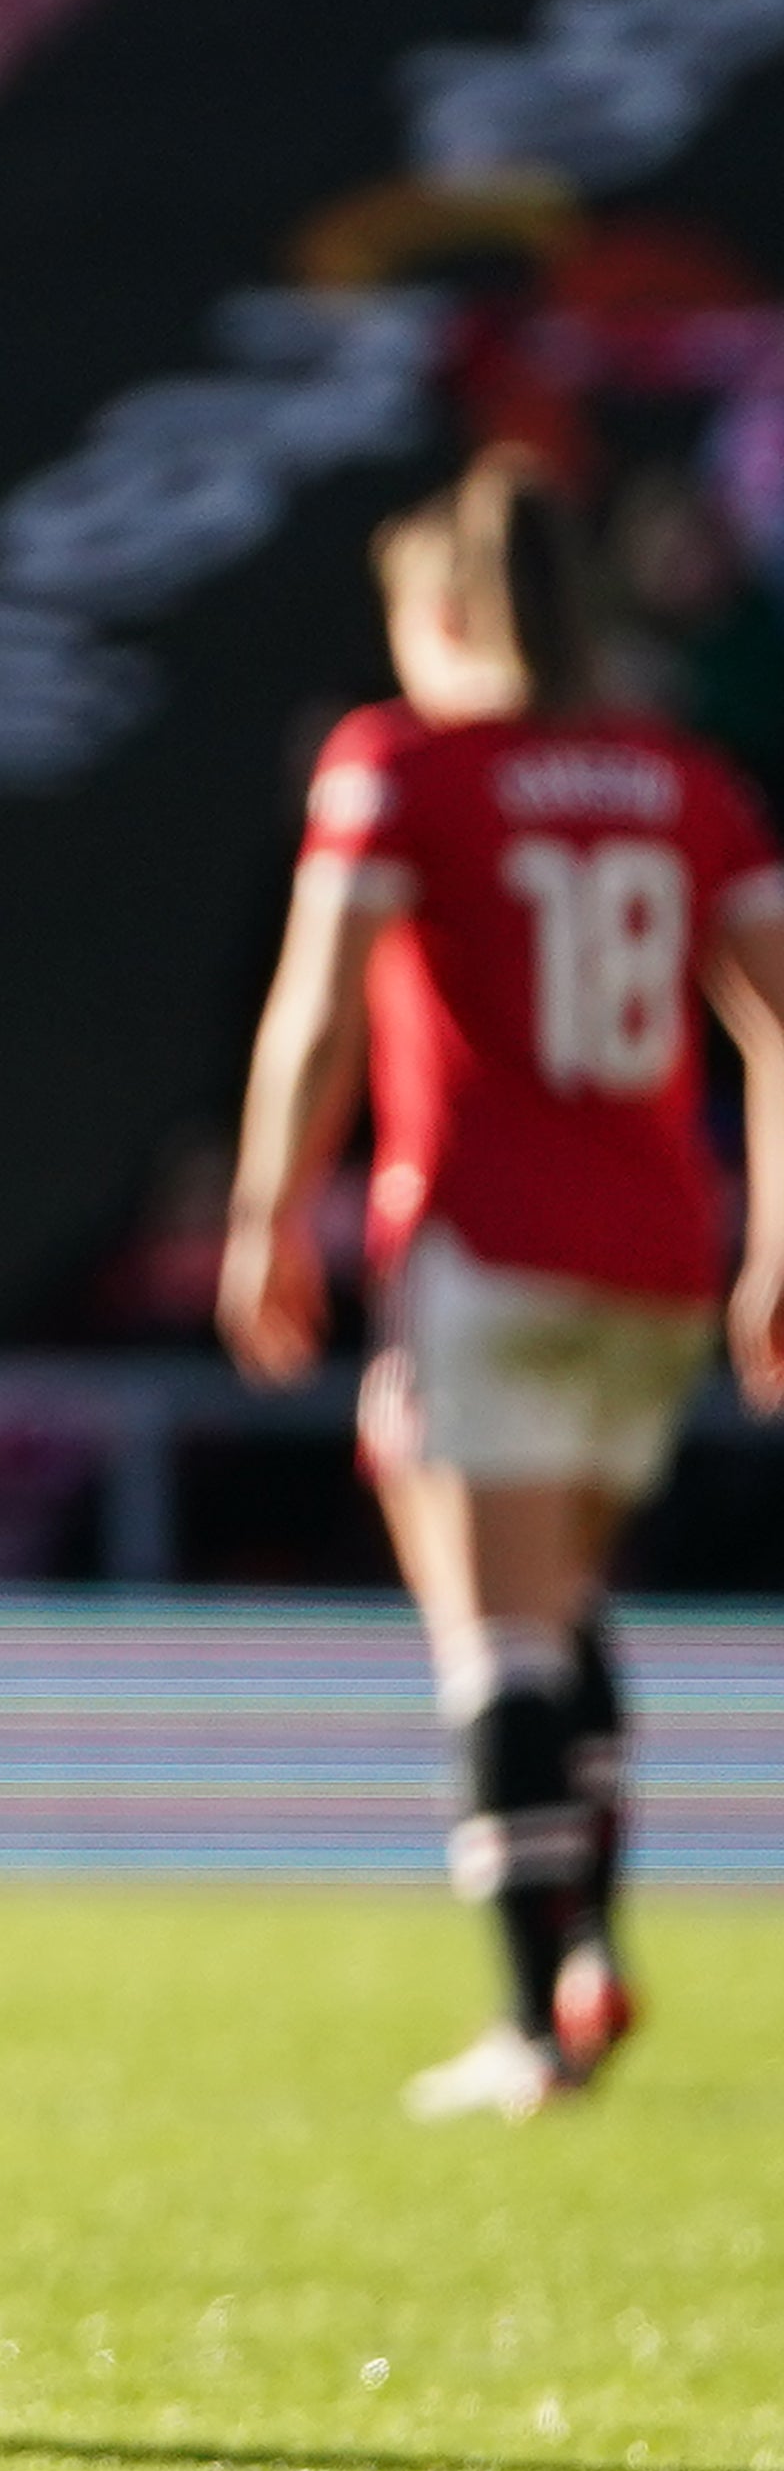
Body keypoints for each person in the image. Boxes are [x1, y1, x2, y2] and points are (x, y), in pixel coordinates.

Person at [219, 447, 784, 2116]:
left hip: (486, 1248)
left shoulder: (399, 763)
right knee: (572, 1607)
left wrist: (266, 1210)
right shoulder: (684, 781)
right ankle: (591, 1948)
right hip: (661, 1257)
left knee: (497, 1641)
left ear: (446, 611)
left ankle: (537, 2025)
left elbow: (317, 1006)